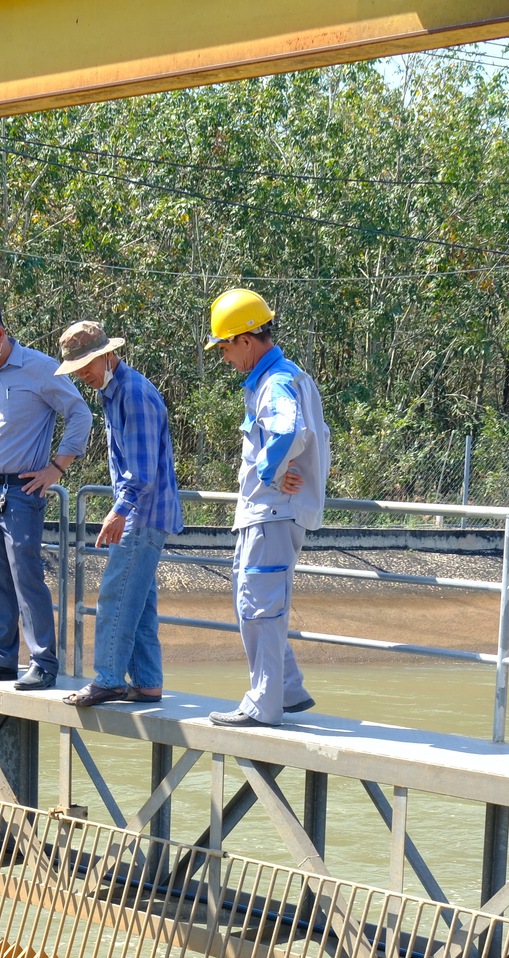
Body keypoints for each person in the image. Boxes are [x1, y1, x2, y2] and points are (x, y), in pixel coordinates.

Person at [201, 287, 328, 729]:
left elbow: (288, 430)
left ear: (245, 340)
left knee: (260, 607)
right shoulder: (280, 377)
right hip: (268, 514)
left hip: (272, 513)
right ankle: (286, 689)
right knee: (252, 600)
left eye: (225, 348)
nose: (224, 358)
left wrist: (272, 472)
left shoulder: (275, 383)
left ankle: (263, 704)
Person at [0, 298, 90, 691]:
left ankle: (43, 662)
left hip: (21, 491)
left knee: (26, 576)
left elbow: (79, 413)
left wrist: (57, 468)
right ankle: (2, 656)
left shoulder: (41, 369)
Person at [53, 319, 182, 709]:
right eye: (77, 369)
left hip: (141, 513)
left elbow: (140, 471)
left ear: (110, 354)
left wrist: (120, 510)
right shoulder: (116, 391)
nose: (84, 375)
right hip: (141, 511)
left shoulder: (132, 394)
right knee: (138, 600)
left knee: (116, 595)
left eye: (88, 364)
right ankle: (147, 682)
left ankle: (109, 678)